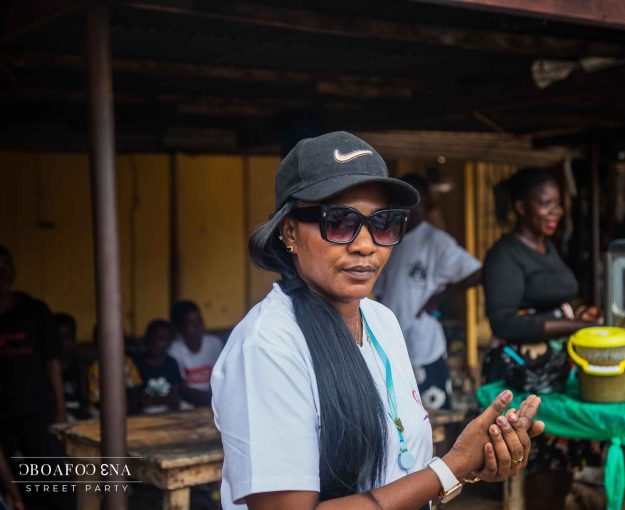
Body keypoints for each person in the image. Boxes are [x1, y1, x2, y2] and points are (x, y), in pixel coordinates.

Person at [211, 131, 545, 510]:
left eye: (383, 224)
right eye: (339, 222)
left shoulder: (380, 320)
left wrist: (473, 461)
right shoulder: (269, 345)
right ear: (290, 231)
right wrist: (450, 468)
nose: (366, 245)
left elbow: (398, 470)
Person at [481, 167, 601, 510]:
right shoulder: (505, 254)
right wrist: (573, 326)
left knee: (561, 474)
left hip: (557, 378)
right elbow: (504, 322)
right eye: (545, 204)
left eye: (558, 204)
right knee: (538, 478)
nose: (555, 212)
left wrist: (578, 317)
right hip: (524, 380)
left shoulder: (546, 246)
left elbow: (550, 302)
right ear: (521, 207)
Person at [374, 173, 481, 410]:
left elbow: (476, 272)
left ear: (425, 199)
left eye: (413, 197)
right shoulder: (389, 239)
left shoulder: (436, 241)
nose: (407, 205)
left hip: (424, 345)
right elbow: (380, 291)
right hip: (390, 342)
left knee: (433, 415)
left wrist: (439, 297)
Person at [0, 245, 66, 455]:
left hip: (38, 412)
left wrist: (60, 413)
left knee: (48, 472)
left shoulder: (34, 310)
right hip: (3, 416)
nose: (3, 273)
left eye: (7, 267)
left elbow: (52, 362)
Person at [169, 301, 223, 407]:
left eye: (199, 321)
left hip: (213, 400)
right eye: (191, 323)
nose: (198, 326)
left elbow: (221, 379)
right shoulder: (174, 350)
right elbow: (182, 390)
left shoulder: (214, 343)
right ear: (180, 327)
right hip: (188, 404)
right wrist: (211, 399)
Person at [86, 324, 143, 414]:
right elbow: (96, 400)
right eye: (105, 341)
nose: (110, 345)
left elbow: (134, 389)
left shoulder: (127, 363)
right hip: (101, 411)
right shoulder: (94, 367)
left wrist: (130, 408)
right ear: (96, 343)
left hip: (126, 408)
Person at [136, 319, 183, 413]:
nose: (155, 342)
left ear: (169, 343)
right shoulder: (137, 364)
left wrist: (154, 400)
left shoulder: (171, 363)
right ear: (146, 338)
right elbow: (139, 400)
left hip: (169, 410)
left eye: (161, 338)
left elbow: (174, 398)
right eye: (152, 337)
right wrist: (165, 399)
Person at [54, 313, 88, 420]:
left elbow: (85, 399)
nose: (62, 343)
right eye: (58, 338)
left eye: (67, 337)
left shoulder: (79, 364)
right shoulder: (46, 367)